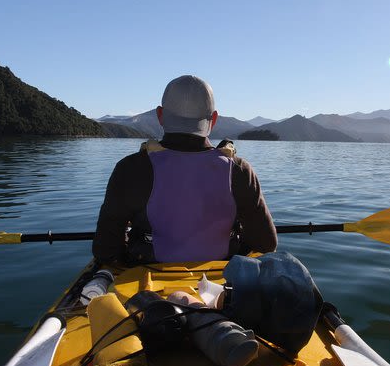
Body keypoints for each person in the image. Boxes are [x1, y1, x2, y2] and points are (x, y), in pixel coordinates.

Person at [92, 75, 277, 265]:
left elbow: (105, 249)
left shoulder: (129, 169)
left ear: (160, 115)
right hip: (221, 281)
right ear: (213, 119)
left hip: (147, 280)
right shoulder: (240, 171)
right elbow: (266, 244)